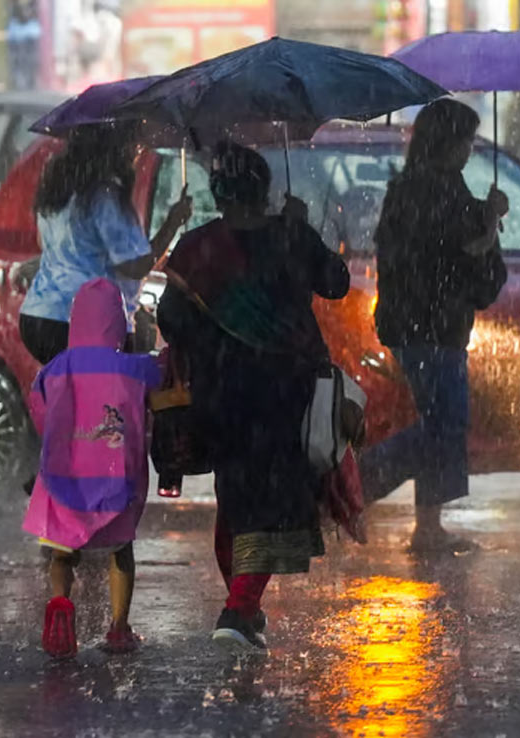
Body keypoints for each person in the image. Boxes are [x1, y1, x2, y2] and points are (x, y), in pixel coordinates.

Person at [158, 142, 349, 653]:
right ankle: (239, 609)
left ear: (218, 192)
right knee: (274, 502)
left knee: (235, 496)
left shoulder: (197, 247)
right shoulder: (289, 234)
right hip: (284, 390)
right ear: (264, 188)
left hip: (219, 391)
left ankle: (243, 609)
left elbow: (170, 320)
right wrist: (303, 233)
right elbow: (337, 283)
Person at [359, 99, 509, 554]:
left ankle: (427, 526)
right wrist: (488, 225)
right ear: (448, 142)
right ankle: (357, 484)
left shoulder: (424, 188)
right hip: (430, 331)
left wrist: (483, 220)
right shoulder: (432, 193)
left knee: (438, 423)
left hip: (427, 328)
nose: (468, 151)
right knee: (440, 426)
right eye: (465, 140)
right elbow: (455, 260)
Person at [23, 278, 160, 658]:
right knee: (121, 552)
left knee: (61, 554)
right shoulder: (134, 369)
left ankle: (61, 606)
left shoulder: (54, 369)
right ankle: (118, 628)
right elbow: (164, 385)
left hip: (63, 478)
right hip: (114, 481)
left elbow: (39, 411)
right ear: (118, 322)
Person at [19, 123, 191, 364]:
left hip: (40, 316)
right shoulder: (105, 196)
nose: (137, 153)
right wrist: (173, 223)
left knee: (70, 394)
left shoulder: (59, 190)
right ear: (115, 149)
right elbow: (134, 266)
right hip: (85, 321)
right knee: (100, 397)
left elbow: (44, 243)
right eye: (134, 145)